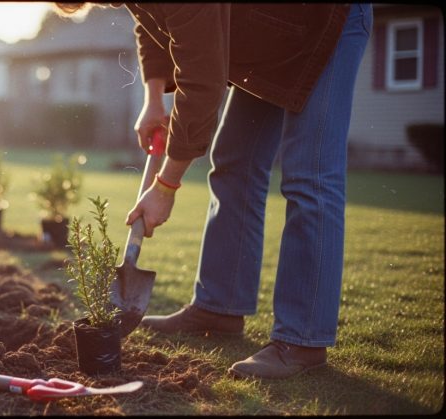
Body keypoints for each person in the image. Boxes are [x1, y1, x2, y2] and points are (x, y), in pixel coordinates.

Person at [54, 3, 372, 379]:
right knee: (235, 162)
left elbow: (202, 84)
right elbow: (152, 25)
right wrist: (153, 99)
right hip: (269, 36)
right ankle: (219, 309)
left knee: (309, 176)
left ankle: (303, 341)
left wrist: (166, 185)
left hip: (324, 21)